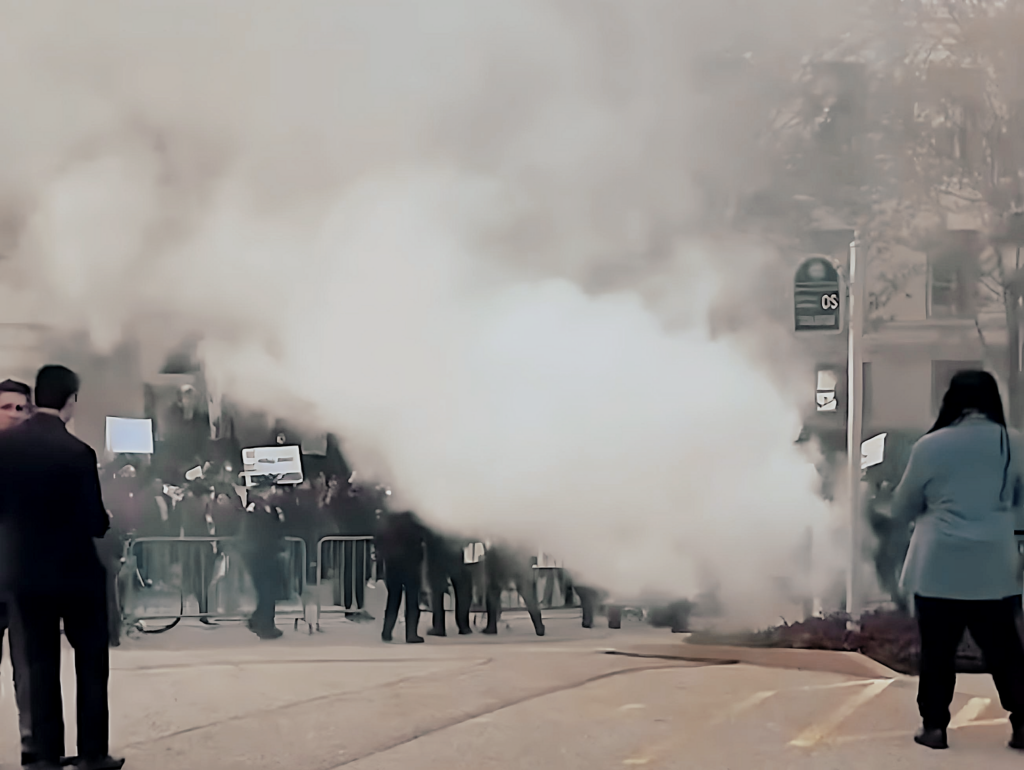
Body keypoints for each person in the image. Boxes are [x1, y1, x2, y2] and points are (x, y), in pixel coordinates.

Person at [892, 370, 1024, 751]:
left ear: (951, 400)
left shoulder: (930, 446)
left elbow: (903, 506)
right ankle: (1023, 724)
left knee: (937, 650)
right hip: (994, 568)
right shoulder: (1015, 443)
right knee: (1005, 650)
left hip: (938, 566)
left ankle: (934, 727)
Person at [0, 365, 124, 770]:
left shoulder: (5, 447)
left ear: (36, 398)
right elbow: (94, 521)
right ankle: (92, 752)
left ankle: (45, 755)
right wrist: (103, 518)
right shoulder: (78, 452)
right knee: (91, 663)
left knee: (37, 664)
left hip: (25, 572)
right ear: (71, 400)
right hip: (76, 572)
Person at [0, 379, 36, 764]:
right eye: (6, 407)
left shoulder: (41, 461)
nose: (14, 414)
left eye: (21, 407)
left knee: (29, 669)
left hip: (27, 581)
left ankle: (32, 740)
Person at [240, 479, 286, 640]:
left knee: (269, 591)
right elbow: (251, 532)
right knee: (267, 591)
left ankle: (257, 620)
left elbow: (277, 529)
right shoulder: (254, 509)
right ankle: (266, 626)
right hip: (258, 555)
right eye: (270, 489)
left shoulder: (271, 509)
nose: (273, 492)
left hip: (270, 554)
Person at [375, 510, 426, 643]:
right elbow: (421, 536)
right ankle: (411, 633)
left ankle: (387, 631)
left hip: (392, 563)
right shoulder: (413, 520)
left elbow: (378, 539)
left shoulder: (388, 519)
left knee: (393, 598)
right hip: (411, 563)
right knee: (412, 599)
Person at [424, 529, 473, 637]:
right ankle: (464, 625)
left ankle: (439, 626)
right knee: (462, 590)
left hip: (435, 554)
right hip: (454, 551)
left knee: (437, 592)